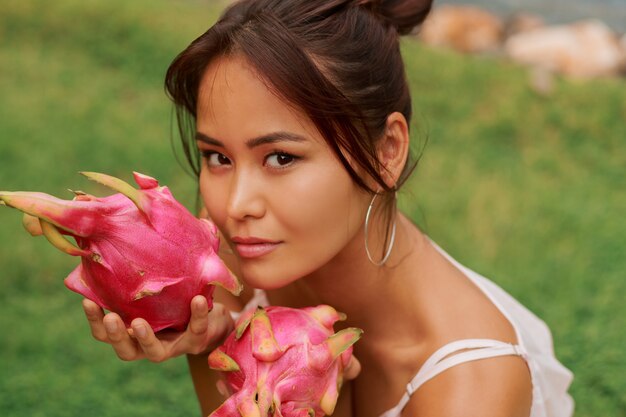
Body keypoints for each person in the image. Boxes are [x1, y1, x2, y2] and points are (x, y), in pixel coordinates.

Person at [80, 0, 574, 416]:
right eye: (218, 157)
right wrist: (210, 340)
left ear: (387, 153)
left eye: (281, 157)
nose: (235, 206)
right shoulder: (230, 259)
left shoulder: (471, 389)